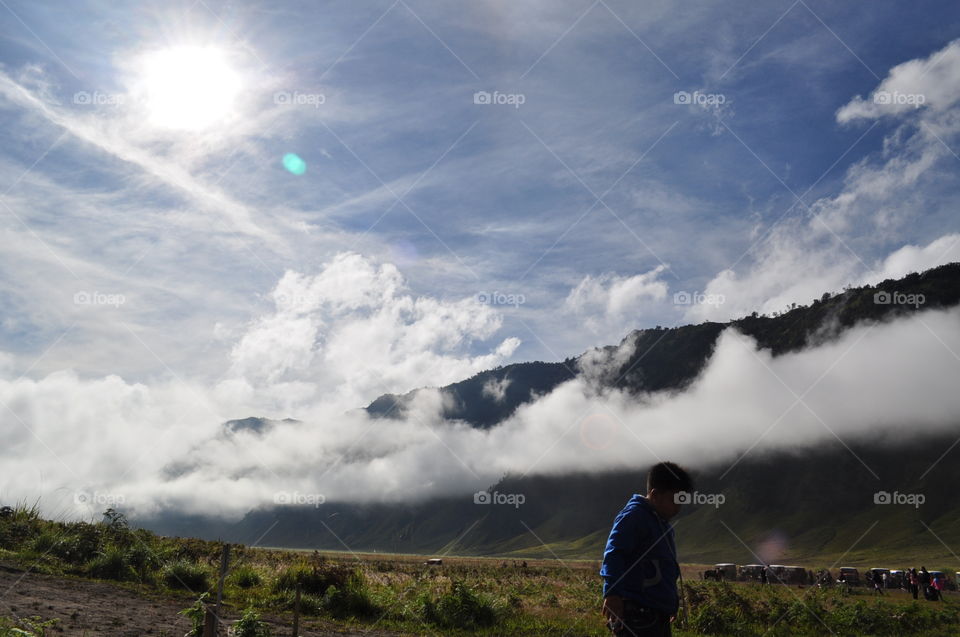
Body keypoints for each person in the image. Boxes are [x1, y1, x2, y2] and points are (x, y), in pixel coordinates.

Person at [600, 461, 694, 636]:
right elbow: (615, 553)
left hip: (658, 613)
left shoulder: (664, 526)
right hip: (637, 613)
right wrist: (612, 593)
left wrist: (670, 604)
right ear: (655, 495)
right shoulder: (634, 516)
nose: (678, 508)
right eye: (674, 500)